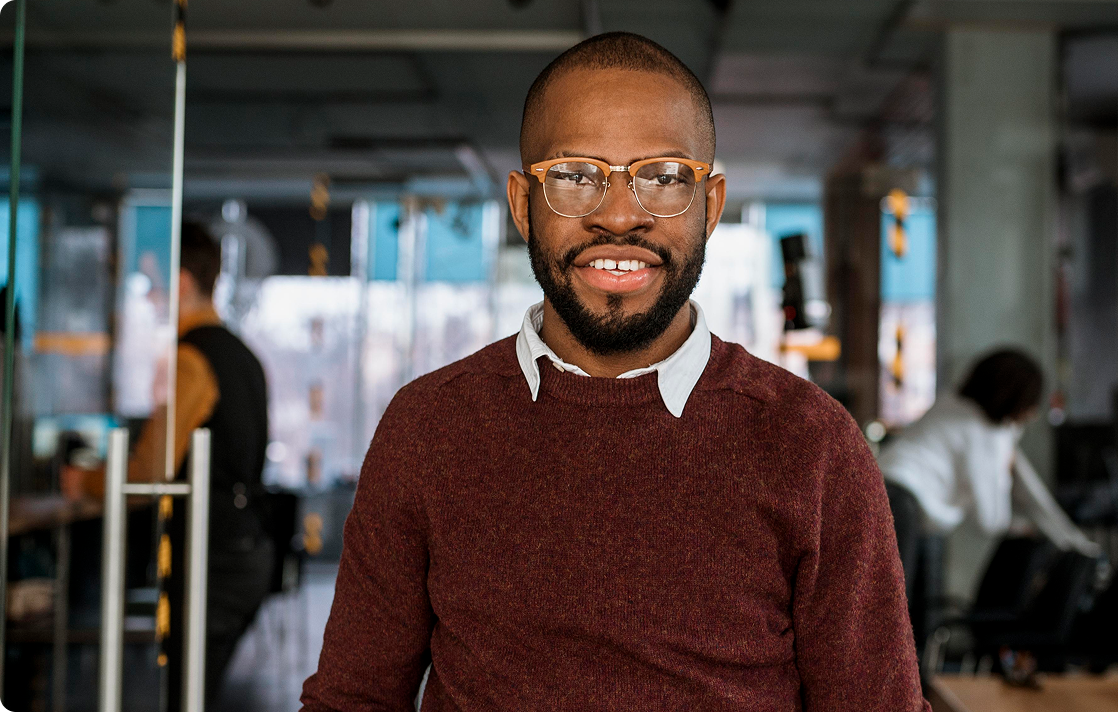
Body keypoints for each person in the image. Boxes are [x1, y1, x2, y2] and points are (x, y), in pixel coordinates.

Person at [301, 32, 927, 712]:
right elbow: (352, 701)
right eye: (575, 175)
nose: (621, 215)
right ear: (522, 205)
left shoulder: (812, 445)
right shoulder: (429, 427)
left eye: (662, 178)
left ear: (710, 207)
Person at [76, 222, 273, 707]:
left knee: (186, 697)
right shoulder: (242, 354)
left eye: (152, 284)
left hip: (212, 559)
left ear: (182, 282)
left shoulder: (192, 358)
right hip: (246, 548)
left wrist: (85, 479)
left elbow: (147, 473)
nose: (149, 300)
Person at [880, 349, 1100, 605]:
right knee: (894, 611)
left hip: (885, 487)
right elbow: (991, 520)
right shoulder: (985, 435)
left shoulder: (952, 404)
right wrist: (1024, 523)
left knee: (908, 607)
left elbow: (1030, 488)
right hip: (901, 504)